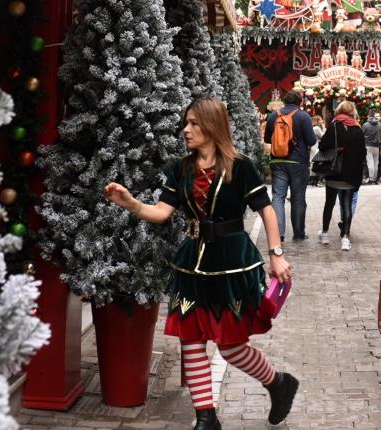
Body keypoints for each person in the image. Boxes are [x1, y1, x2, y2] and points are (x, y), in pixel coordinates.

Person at [104, 98, 299, 430]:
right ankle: (206, 417)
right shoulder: (181, 168)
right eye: (186, 122)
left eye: (194, 123)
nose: (186, 129)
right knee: (191, 340)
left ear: (211, 126)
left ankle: (279, 383)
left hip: (232, 263)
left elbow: (266, 209)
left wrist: (276, 254)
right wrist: (132, 203)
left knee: (232, 346)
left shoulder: (240, 165)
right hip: (192, 265)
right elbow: (162, 213)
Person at [264, 91, 317, 241]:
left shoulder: (274, 116)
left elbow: (268, 139)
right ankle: (299, 233)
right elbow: (312, 140)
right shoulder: (303, 116)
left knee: (278, 197)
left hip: (277, 161)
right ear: (299, 102)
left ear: (284, 102)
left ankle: (278, 234)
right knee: (298, 198)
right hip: (298, 162)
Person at [318, 101, 366, 250]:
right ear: (352, 111)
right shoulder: (357, 128)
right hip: (350, 174)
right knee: (346, 206)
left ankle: (325, 234)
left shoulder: (334, 126)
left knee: (329, 203)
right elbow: (362, 153)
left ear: (339, 111)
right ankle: (345, 238)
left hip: (334, 172)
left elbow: (322, 146)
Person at [362, 111, 381, 184]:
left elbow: (362, 135)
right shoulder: (379, 124)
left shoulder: (365, 125)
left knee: (370, 162)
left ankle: (371, 179)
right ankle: (375, 178)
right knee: (376, 162)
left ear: (368, 116)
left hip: (368, 145)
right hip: (377, 146)